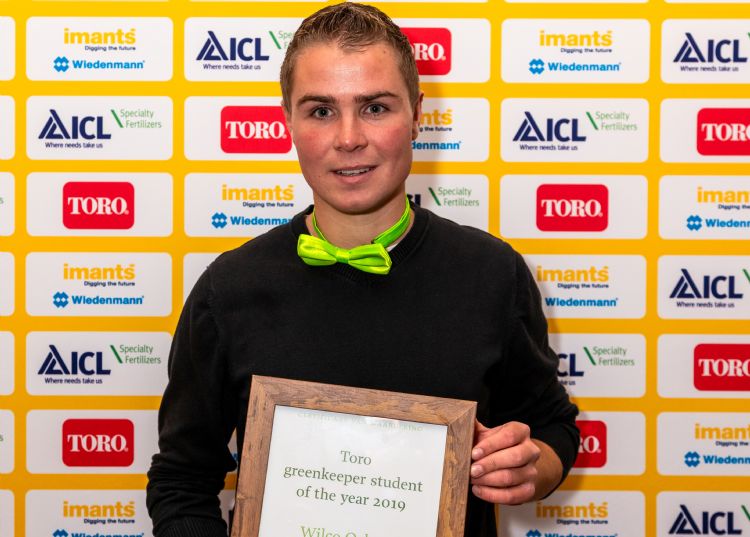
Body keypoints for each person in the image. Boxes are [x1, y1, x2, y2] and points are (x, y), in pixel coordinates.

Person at [146, 3, 579, 536]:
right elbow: (181, 482)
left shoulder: (492, 274)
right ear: (288, 121)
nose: (349, 137)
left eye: (374, 107)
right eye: (321, 111)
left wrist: (530, 467)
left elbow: (553, 428)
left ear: (416, 115)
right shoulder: (228, 289)